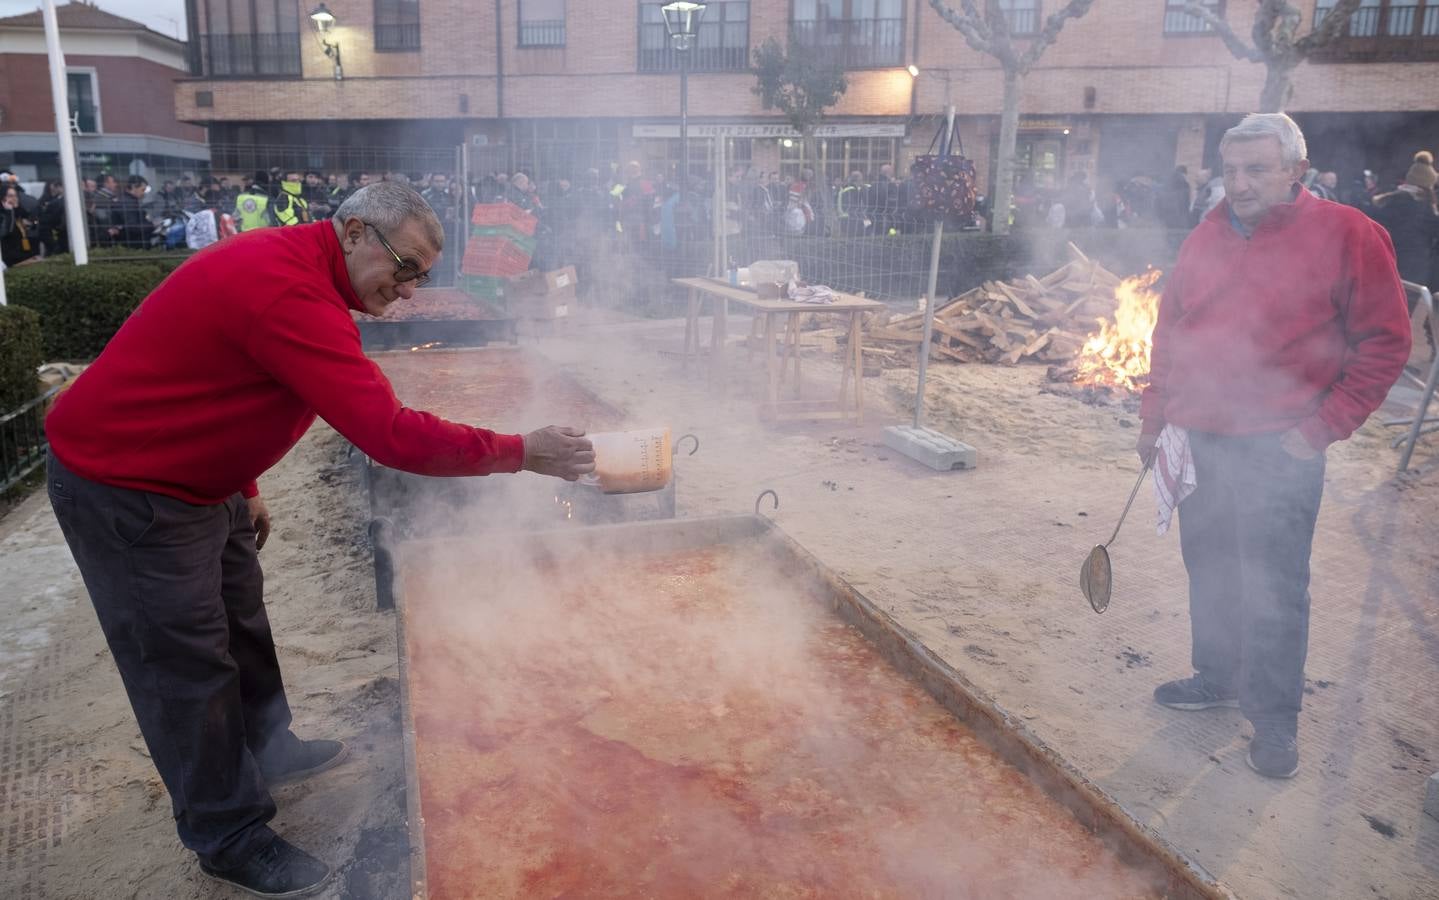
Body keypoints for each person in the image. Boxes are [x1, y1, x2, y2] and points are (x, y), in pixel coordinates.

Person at [42, 182, 595, 898]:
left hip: (199, 481)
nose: (408, 292)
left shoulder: (307, 270)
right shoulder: (288, 291)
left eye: (421, 277)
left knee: (241, 624)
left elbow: (211, 376)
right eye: (402, 269)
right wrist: (521, 449)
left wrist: (244, 483)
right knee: (182, 666)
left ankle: (270, 750)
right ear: (356, 231)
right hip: (128, 489)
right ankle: (227, 834)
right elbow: (389, 436)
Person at [1138, 113, 1410, 779]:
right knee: (1208, 566)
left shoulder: (1348, 233)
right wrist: (1154, 421)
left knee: (1274, 587)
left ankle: (1274, 719)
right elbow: (1169, 332)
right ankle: (1217, 675)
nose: (1239, 183)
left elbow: (1384, 343)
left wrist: (1318, 429)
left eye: (1256, 168)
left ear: (1295, 169)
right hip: (1200, 437)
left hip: (1277, 447)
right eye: (1230, 171)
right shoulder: (1206, 234)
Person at [1371, 151, 1439, 295]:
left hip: (1384, 262)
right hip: (1411, 267)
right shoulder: (1420, 207)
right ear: (1426, 187)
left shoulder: (1390, 200)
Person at [0, 182, 39, 267]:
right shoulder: (4, 214)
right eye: (10, 196)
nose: (14, 198)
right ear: (2, 198)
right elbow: (6, 232)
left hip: (23, 252)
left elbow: (32, 224)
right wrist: (9, 212)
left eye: (15, 195)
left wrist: (31, 224)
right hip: (9, 257)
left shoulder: (17, 212)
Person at [116, 175, 153, 249]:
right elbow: (133, 227)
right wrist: (152, 225)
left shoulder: (129, 200)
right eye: (142, 190)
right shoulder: (128, 203)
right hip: (134, 245)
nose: (144, 193)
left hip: (134, 243)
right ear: (133, 187)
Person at [37, 179, 68, 256]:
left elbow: (45, 222)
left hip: (58, 237)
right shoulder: (55, 201)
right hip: (60, 238)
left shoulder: (54, 203)